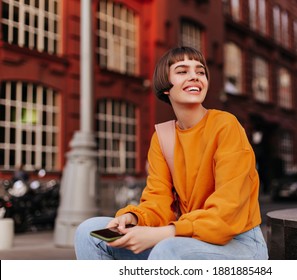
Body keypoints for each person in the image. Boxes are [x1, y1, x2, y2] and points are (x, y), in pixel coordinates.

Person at [74, 46, 268, 260]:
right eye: (182, 71)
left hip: (238, 242)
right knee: (88, 232)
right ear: (166, 86)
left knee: (168, 250)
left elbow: (228, 211)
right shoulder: (163, 137)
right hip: (187, 236)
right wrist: (134, 218)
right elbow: (158, 201)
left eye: (200, 72)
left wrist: (163, 234)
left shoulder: (225, 125)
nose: (194, 77)